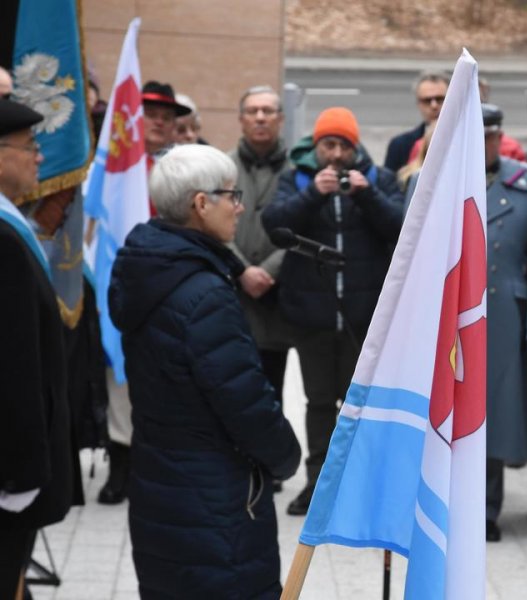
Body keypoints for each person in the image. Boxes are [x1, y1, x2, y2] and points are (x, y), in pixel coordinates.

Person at [108, 144, 302, 599]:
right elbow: (245, 401)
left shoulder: (150, 268)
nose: (239, 207)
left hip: (160, 484)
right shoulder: (203, 293)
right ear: (200, 204)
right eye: (231, 196)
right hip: (213, 500)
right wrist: (286, 458)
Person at [262, 107, 404, 516]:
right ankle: (317, 484)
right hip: (313, 317)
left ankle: (361, 486)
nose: (337, 154)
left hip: (364, 318)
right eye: (329, 144)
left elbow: (401, 227)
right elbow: (275, 225)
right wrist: (313, 194)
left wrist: (367, 194)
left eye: (344, 145)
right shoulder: (297, 179)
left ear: (355, 146)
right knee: (319, 402)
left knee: (360, 404)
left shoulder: (380, 180)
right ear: (317, 146)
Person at [98, 80, 193, 506]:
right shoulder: (117, 168)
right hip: (121, 283)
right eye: (150, 115)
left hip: (171, 287)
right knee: (118, 374)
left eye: (166, 118)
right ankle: (120, 461)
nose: (158, 123)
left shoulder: (186, 168)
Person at [0, 99, 75, 599]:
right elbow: (14, 364)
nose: (40, 158)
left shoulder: (12, 223)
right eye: (29, 147)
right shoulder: (3, 240)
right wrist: (21, 474)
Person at [228, 86, 296, 492]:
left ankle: (271, 465)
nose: (259, 118)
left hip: (278, 297)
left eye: (268, 111)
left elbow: (302, 227)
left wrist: (267, 270)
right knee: (237, 383)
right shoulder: (222, 165)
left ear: (280, 119)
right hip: (235, 294)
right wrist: (241, 269)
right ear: (241, 119)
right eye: (252, 110)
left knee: (272, 384)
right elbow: (210, 223)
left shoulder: (296, 169)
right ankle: (240, 459)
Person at [383, 71, 449, 173]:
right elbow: (388, 185)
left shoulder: (468, 140)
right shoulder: (400, 145)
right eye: (427, 100)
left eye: (440, 99)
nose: (434, 106)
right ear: (418, 103)